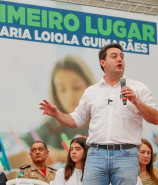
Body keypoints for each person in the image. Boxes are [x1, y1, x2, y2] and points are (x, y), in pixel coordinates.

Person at [40, 43, 158, 185]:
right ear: (103, 62)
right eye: (114, 56)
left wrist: (137, 102)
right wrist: (57, 114)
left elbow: (155, 118)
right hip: (96, 155)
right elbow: (75, 120)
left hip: (126, 155)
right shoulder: (92, 91)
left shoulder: (138, 88)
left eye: (122, 56)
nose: (119, 59)